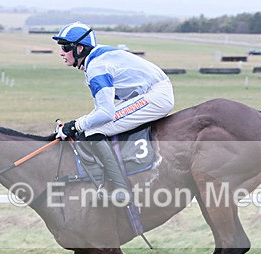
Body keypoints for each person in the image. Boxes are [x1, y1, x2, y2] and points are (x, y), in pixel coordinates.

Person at [53, 22, 174, 203]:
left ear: (79, 48)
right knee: (92, 125)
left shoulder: (96, 67)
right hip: (152, 91)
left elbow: (105, 113)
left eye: (65, 47)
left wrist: (75, 125)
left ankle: (121, 190)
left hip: (156, 95)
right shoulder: (95, 57)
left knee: (93, 130)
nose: (61, 52)